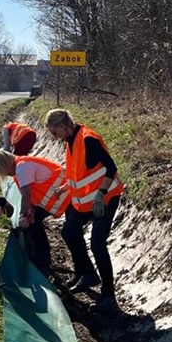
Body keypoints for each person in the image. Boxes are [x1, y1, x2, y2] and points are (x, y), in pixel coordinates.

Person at [44, 108, 124, 311]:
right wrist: (66, 188)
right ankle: (87, 273)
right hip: (86, 202)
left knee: (97, 244)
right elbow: (80, 175)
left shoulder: (89, 139)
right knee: (69, 232)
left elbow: (111, 168)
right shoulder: (71, 141)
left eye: (55, 132)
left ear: (64, 126)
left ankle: (109, 296)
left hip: (105, 200)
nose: (55, 137)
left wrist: (101, 194)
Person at [0, 149, 68, 274]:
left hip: (66, 194)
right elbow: (30, 196)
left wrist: (22, 215)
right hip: (60, 197)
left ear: (5, 166)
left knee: (35, 225)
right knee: (34, 223)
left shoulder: (23, 167)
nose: (7, 175)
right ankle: (42, 260)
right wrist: (30, 211)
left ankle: (43, 262)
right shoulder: (20, 168)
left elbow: (26, 194)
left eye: (3, 172)